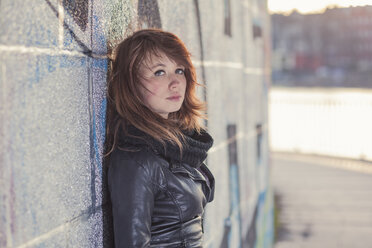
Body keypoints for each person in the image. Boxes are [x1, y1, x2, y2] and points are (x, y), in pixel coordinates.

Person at [105, 29, 215, 247]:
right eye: (159, 72)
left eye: (179, 70)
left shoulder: (180, 145)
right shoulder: (138, 160)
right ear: (131, 85)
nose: (175, 83)